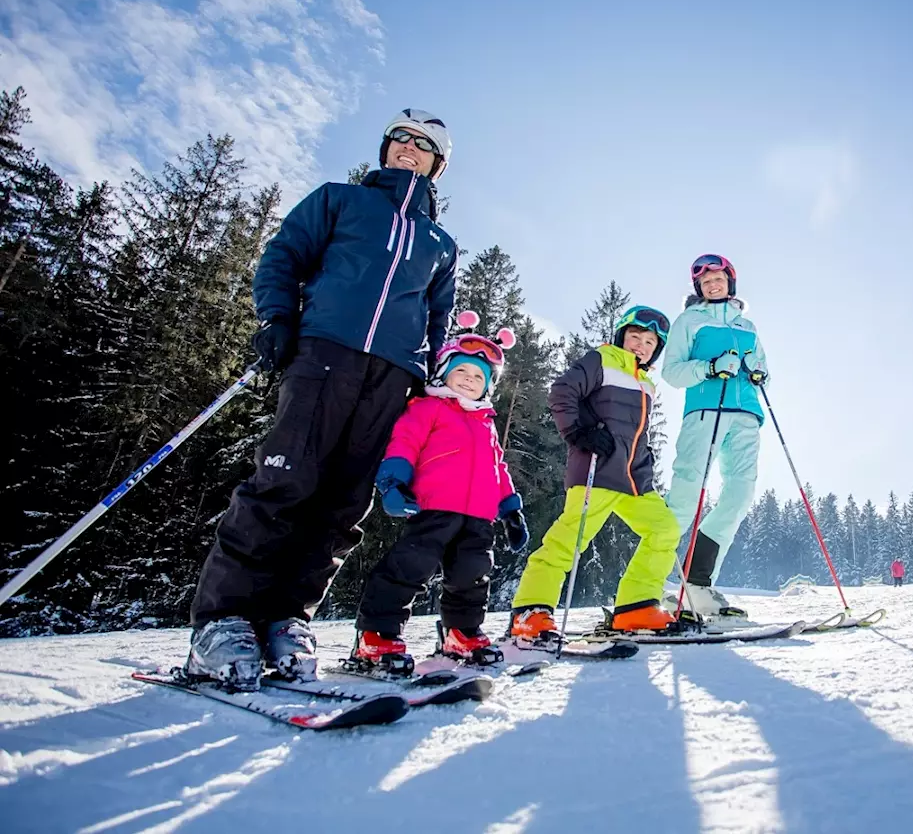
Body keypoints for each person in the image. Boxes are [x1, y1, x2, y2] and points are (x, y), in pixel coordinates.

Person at [185, 109, 459, 690]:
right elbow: (284, 256)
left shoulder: (440, 242)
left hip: (394, 377)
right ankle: (223, 620)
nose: (409, 148)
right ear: (386, 149)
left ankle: (287, 617)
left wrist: (436, 370)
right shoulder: (341, 200)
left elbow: (440, 314)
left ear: (439, 163)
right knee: (285, 479)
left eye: (424, 144)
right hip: (325, 353)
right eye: (401, 139)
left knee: (343, 502)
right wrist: (277, 317)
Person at [348, 315, 529, 674]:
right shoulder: (428, 408)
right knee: (411, 566)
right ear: (444, 373)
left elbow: (498, 469)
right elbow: (404, 444)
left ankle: (460, 632)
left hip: (478, 516)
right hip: (434, 507)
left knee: (473, 573)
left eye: (479, 377)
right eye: (462, 372)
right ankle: (376, 634)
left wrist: (510, 510)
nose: (469, 381)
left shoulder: (485, 423)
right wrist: (394, 483)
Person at [508, 306, 681, 640]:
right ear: (621, 336)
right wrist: (577, 432)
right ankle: (531, 610)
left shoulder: (646, 384)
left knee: (665, 530)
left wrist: (645, 458)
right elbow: (562, 391)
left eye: (649, 342)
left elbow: (636, 433)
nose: (640, 345)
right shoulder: (601, 359)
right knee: (569, 539)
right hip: (596, 470)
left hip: (635, 480)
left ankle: (636, 607)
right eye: (634, 336)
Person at [662, 254, 768, 617]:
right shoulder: (689, 321)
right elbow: (672, 372)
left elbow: (765, 369)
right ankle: (650, 585)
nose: (713, 284)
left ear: (730, 281)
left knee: (740, 496)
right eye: (706, 282)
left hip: (747, 416)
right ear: (699, 288)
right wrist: (709, 367)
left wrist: (758, 373)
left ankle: (697, 584)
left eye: (718, 278)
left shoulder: (748, 326)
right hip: (705, 411)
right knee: (686, 495)